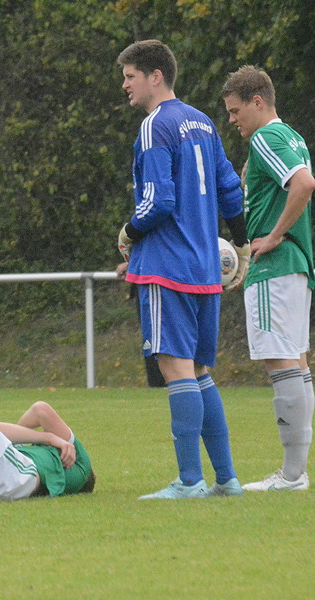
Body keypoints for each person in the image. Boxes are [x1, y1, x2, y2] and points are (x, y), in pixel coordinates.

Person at [115, 40, 249, 499]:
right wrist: (242, 243)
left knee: (176, 369)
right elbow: (230, 190)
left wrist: (128, 233)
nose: (125, 86)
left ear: (155, 76)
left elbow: (158, 202)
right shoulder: (204, 122)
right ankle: (227, 479)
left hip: (167, 266)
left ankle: (190, 480)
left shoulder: (156, 125)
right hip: (206, 268)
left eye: (130, 76)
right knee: (199, 371)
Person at [222, 65, 315, 492]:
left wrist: (273, 235)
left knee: (281, 361)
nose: (232, 119)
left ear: (257, 102)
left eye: (235, 110)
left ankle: (292, 475)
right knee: (297, 361)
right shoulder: (292, 136)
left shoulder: (266, 137)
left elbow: (304, 183)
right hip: (296, 264)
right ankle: (297, 471)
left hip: (276, 264)